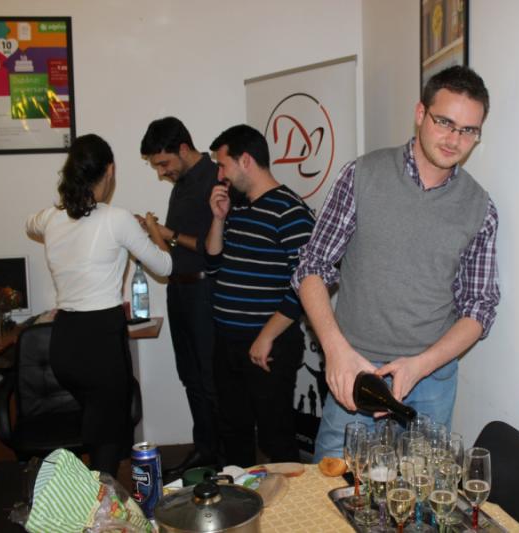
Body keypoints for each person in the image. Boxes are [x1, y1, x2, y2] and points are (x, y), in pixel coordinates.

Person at [292, 65, 500, 462]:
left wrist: (420, 365)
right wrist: (335, 351)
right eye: (445, 122)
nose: (454, 139)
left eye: (468, 130)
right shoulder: (362, 175)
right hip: (355, 367)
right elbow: (311, 266)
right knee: (334, 486)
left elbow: (479, 308)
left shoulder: (480, 208)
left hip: (431, 378)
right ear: (420, 113)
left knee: (420, 491)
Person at [26, 134, 172, 476]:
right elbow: (165, 266)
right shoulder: (116, 219)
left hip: (64, 342)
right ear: (110, 171)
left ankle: (96, 489)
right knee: (106, 439)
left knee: (102, 423)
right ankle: (97, 499)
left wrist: (54, 224)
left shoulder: (52, 218)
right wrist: (152, 229)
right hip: (100, 339)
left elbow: (30, 223)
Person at [205, 124, 315, 467]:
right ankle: (240, 497)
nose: (220, 175)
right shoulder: (236, 208)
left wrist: (266, 337)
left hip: (269, 345)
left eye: (223, 165)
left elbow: (306, 287)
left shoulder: (291, 212)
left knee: (275, 436)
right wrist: (218, 219)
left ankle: (292, 501)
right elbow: (212, 265)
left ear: (246, 160)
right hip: (227, 341)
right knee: (233, 432)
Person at [139, 117, 220, 470]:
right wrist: (154, 234)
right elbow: (174, 250)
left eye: (164, 163)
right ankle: (204, 449)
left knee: (210, 378)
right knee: (189, 375)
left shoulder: (215, 178)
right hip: (179, 291)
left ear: (183, 149)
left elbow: (211, 246)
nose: (162, 172)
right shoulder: (181, 183)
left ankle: (224, 457)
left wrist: (166, 232)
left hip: (206, 290)